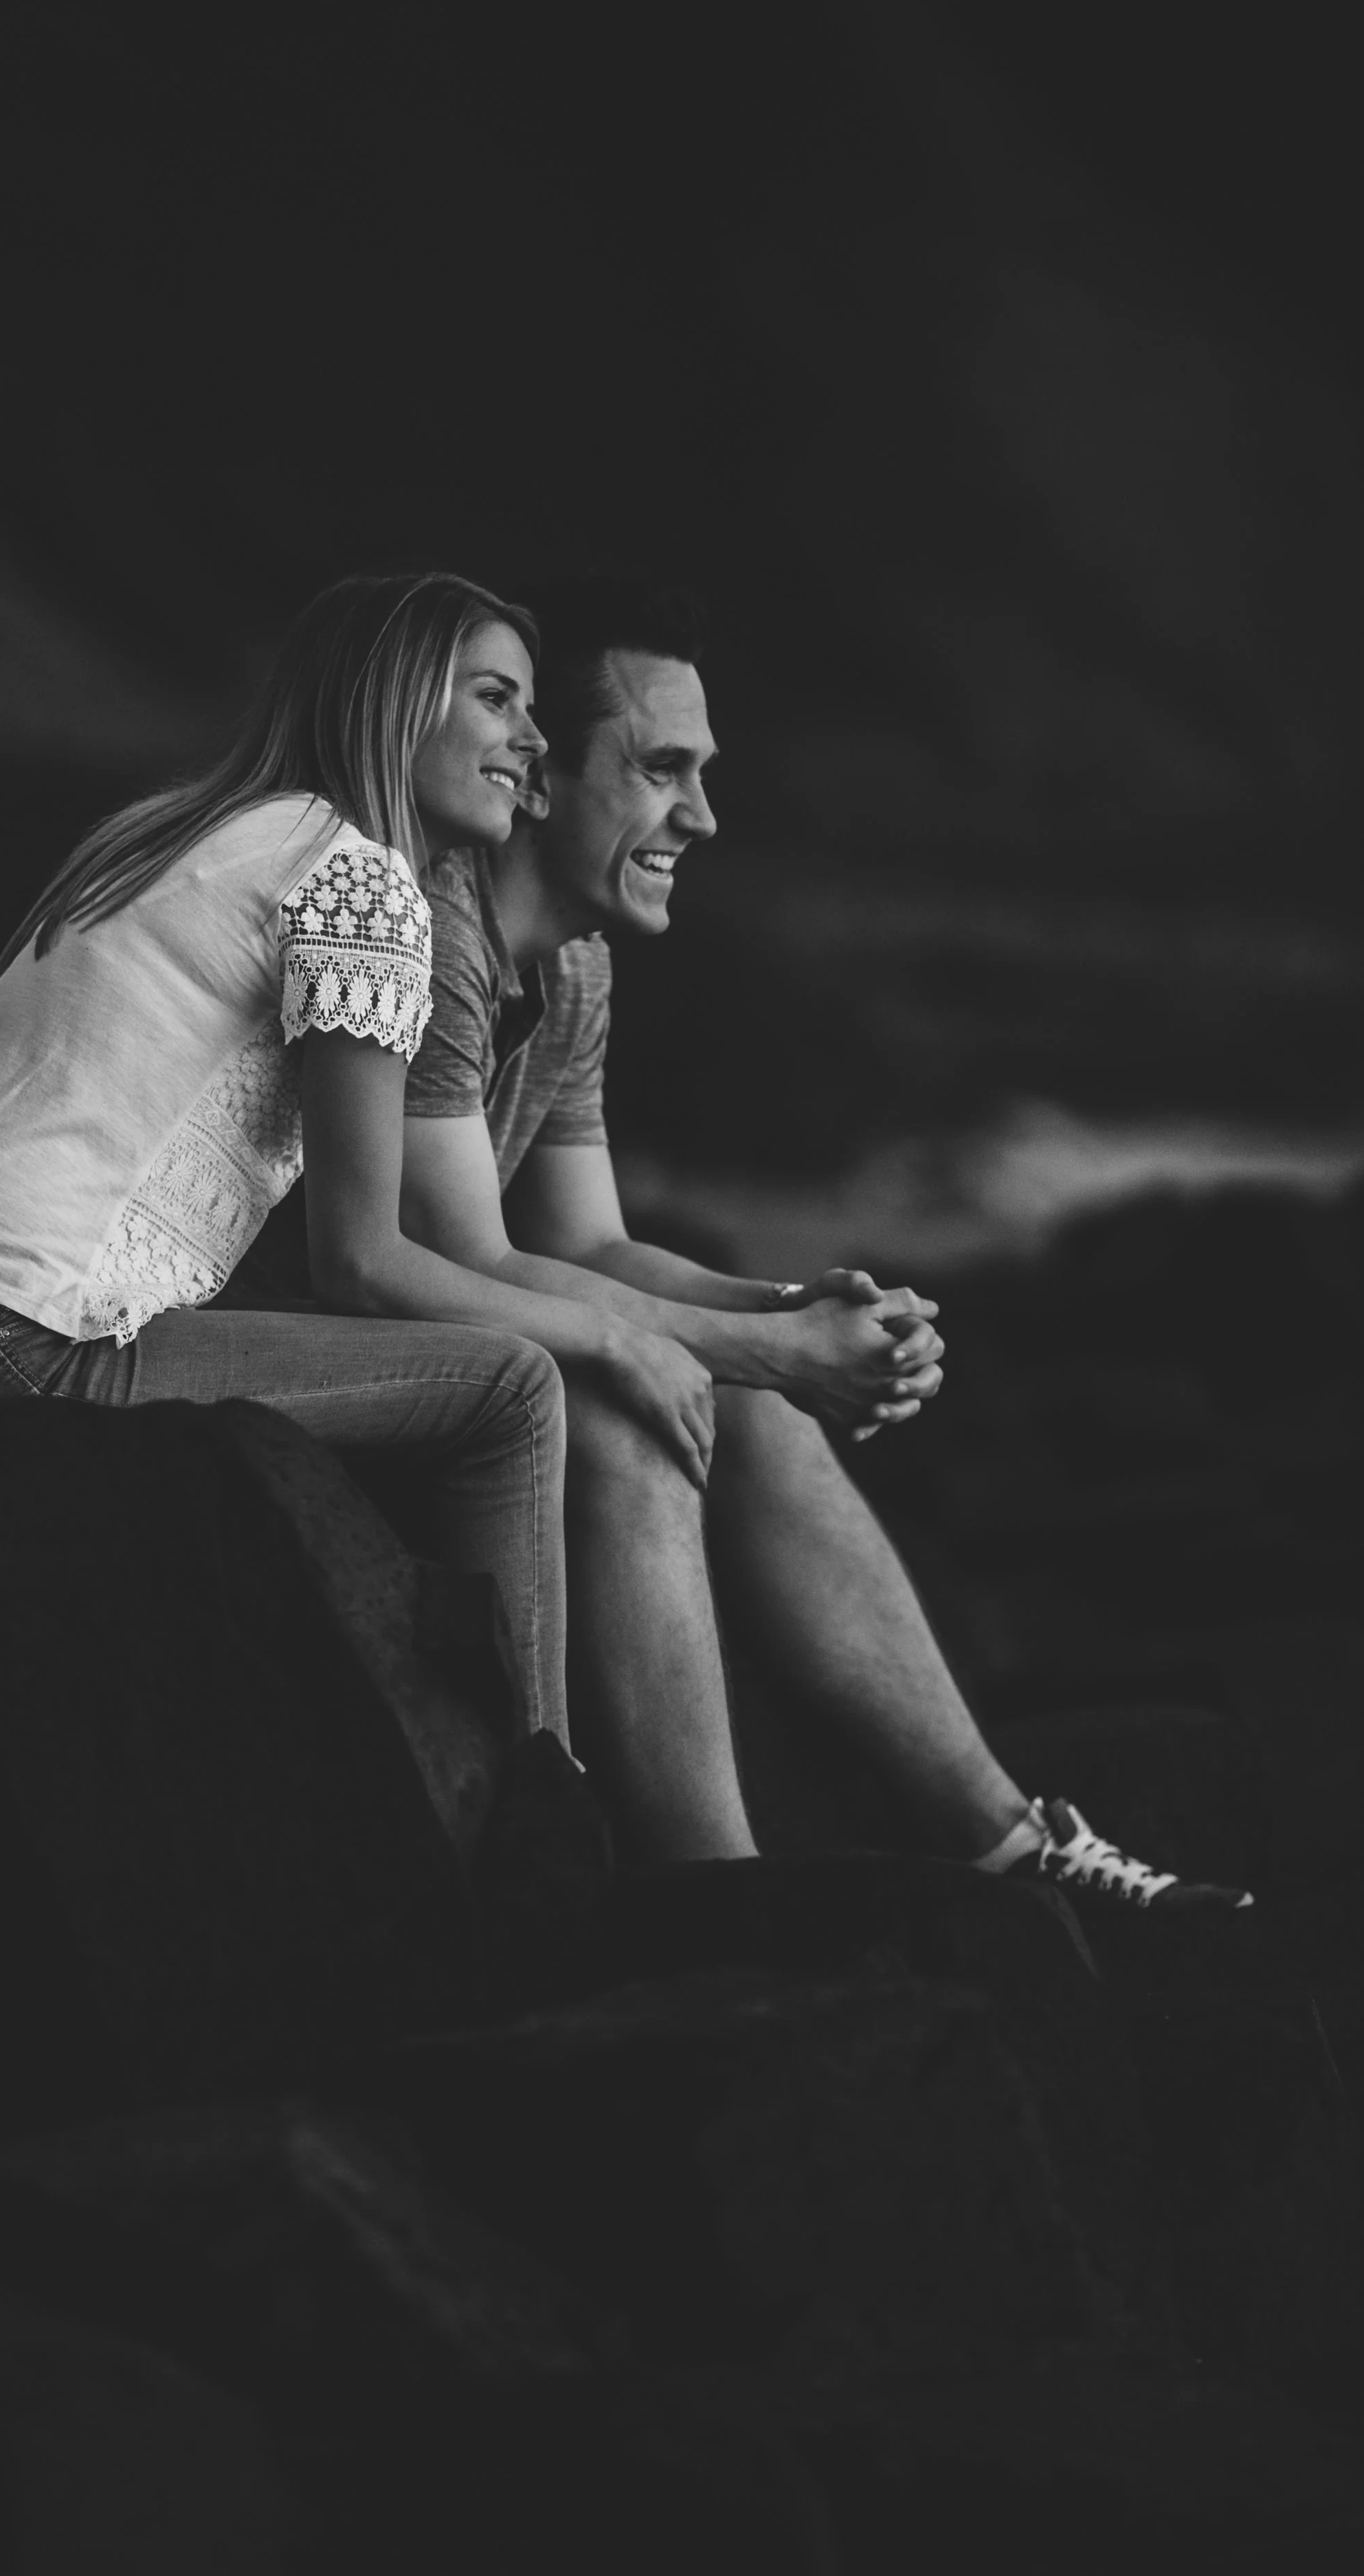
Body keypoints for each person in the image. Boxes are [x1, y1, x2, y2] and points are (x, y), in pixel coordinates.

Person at [390, 573, 1251, 1913]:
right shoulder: (428, 937)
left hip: (473, 1338)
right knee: (641, 1414)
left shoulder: (574, 970)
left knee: (762, 1408)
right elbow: (462, 1261)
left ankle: (1011, 1841)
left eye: (704, 772)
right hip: (357, 1353)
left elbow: (591, 1242)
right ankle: (719, 1899)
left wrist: (798, 1308)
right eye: (663, 769)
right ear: (543, 775)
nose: (702, 814)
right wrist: (759, 1341)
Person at [0, 572, 581, 1741]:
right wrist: (622, 1336)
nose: (534, 741)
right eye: (497, 698)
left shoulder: (182, 836)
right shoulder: (363, 884)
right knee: (515, 1388)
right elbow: (365, 1264)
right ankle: (543, 1793)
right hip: (15, 1349)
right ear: (397, 701)